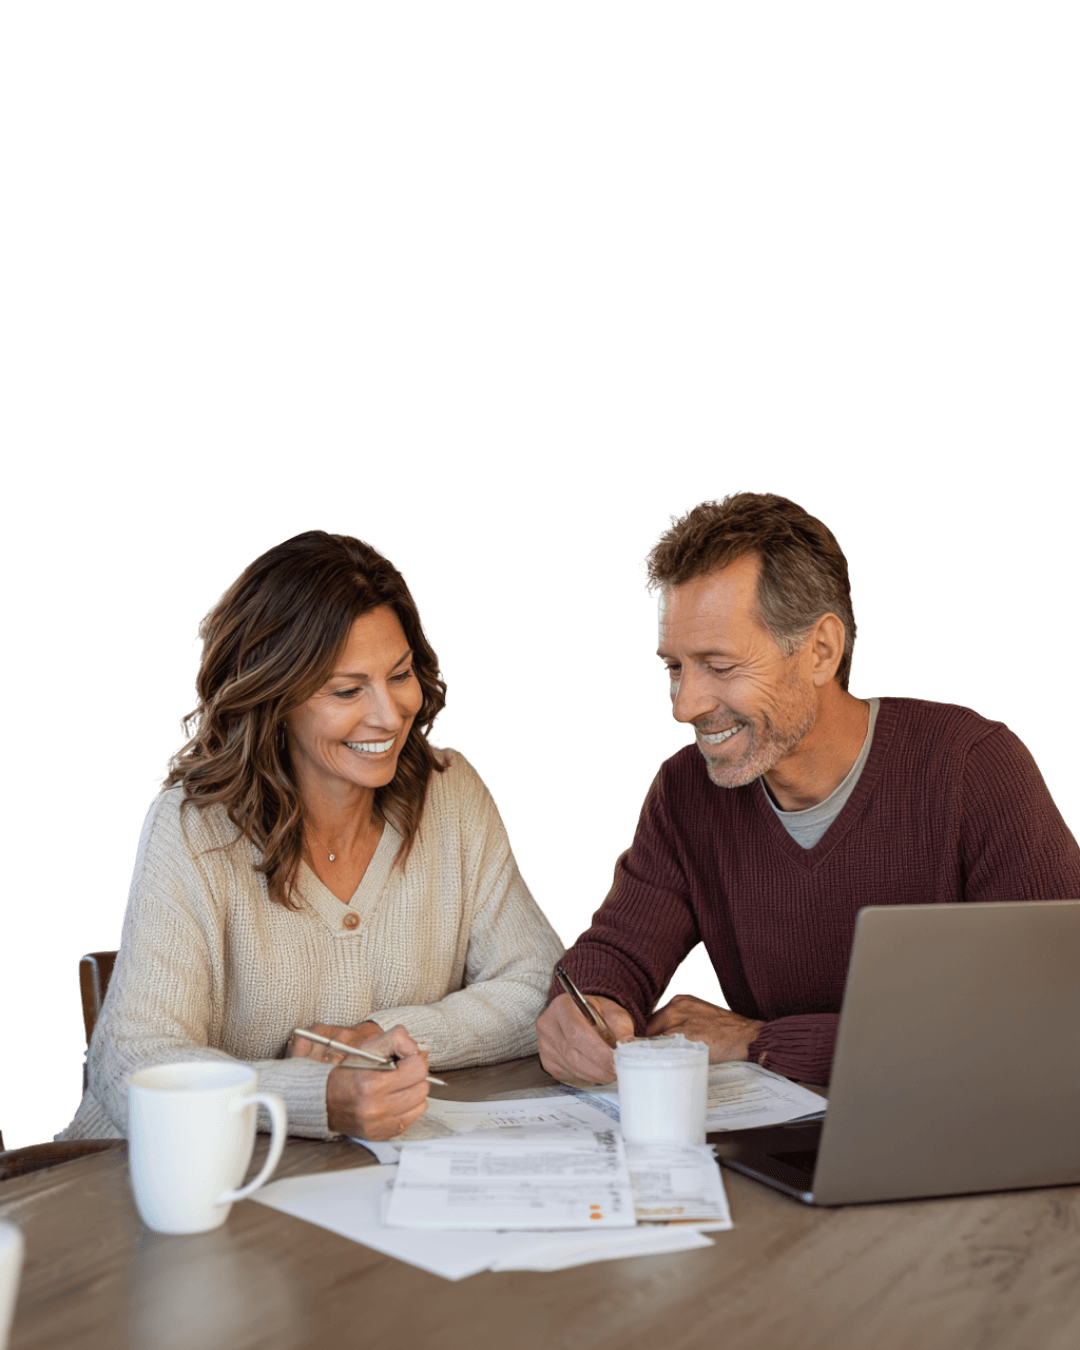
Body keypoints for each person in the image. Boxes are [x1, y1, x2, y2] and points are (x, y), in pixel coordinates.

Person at [537, 492, 1080, 1088]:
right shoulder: (686, 793)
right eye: (674, 667)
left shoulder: (971, 767)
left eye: (719, 666)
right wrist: (586, 1006)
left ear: (821, 650)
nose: (684, 705)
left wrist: (761, 1041)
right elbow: (618, 952)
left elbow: (1056, 1013)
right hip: (781, 1144)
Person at [59, 530, 563, 1143]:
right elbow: (134, 1061)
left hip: (338, 1184)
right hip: (121, 1184)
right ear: (276, 696)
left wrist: (375, 1037)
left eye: (399, 674)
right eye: (347, 690)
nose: (389, 714)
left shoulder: (451, 793)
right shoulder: (191, 828)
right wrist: (314, 1095)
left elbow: (541, 987)